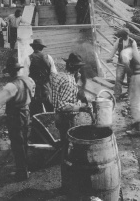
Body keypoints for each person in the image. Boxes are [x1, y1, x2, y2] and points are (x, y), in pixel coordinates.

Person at [49, 52, 92, 190]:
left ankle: (67, 181)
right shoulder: (68, 81)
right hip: (67, 118)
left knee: (65, 148)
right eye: (78, 67)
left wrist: (80, 95)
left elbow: (59, 98)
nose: (79, 69)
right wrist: (82, 107)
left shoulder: (60, 76)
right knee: (69, 152)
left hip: (59, 117)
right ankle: (69, 183)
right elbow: (63, 105)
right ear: (73, 66)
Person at [0, 57, 35, 181]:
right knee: (24, 141)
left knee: (17, 144)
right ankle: (26, 168)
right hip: (26, 113)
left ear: (10, 71)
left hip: (15, 115)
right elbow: (33, 93)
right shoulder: (29, 80)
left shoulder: (11, 85)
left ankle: (22, 172)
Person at [107, 28, 138, 101]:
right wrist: (110, 58)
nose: (124, 37)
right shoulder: (119, 41)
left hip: (130, 63)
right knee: (118, 78)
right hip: (120, 62)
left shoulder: (133, 42)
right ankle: (117, 95)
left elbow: (136, 54)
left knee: (130, 79)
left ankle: (130, 95)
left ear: (128, 34)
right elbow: (114, 50)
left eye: (125, 35)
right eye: (123, 35)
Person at [125, 45, 140, 136]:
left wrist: (130, 77)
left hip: (137, 77)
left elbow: (127, 68)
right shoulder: (137, 54)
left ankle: (138, 129)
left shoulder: (125, 52)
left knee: (135, 103)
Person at [26, 39, 53, 116]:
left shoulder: (28, 58)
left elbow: (25, 75)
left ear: (33, 48)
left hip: (34, 88)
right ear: (42, 48)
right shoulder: (48, 57)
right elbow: (53, 73)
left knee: (35, 111)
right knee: (50, 109)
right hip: (46, 86)